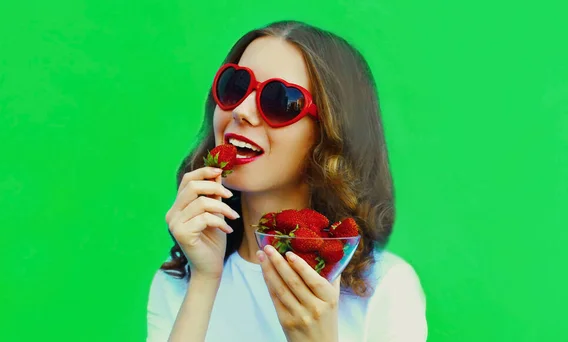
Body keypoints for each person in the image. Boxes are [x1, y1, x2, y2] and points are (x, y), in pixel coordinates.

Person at [146, 20, 427, 342]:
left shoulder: (383, 286)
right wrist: (205, 280)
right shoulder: (179, 279)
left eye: (279, 101)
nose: (241, 110)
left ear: (330, 133)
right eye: (235, 86)